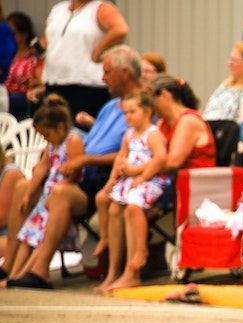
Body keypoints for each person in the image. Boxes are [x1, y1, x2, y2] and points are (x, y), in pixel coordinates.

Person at [0, 46, 141, 288]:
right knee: (24, 187)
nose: (102, 78)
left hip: (98, 181)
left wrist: (84, 160)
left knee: (61, 192)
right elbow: (95, 142)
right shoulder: (110, 107)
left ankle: (40, 270)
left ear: (125, 72)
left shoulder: (140, 108)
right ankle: (10, 267)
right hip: (76, 171)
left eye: (107, 72)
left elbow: (136, 150)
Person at [3, 96, 85, 288]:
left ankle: (29, 273)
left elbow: (76, 169)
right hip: (47, 195)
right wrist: (29, 194)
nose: (45, 139)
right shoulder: (52, 143)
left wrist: (67, 176)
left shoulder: (73, 140)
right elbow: (41, 168)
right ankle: (14, 274)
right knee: (27, 236)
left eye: (46, 134)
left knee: (42, 237)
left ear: (60, 128)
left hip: (62, 192)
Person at [97, 91, 171, 292]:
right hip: (129, 180)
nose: (127, 116)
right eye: (125, 113)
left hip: (150, 179)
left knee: (132, 204)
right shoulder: (129, 134)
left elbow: (160, 159)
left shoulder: (153, 133)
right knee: (109, 204)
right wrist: (112, 179)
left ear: (147, 111)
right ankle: (114, 271)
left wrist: (141, 176)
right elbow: (120, 158)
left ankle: (140, 251)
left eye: (132, 111)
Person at [40, 0, 129, 120]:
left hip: (86, 83)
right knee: (53, 127)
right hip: (55, 80)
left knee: (79, 129)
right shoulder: (58, 9)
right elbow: (46, 39)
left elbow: (120, 29)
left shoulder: (100, 7)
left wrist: (98, 51)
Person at [148, 75, 217, 173]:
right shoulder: (163, 123)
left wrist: (138, 170)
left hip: (194, 182)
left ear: (164, 95)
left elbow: (173, 161)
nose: (150, 106)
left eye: (151, 100)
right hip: (170, 180)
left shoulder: (188, 120)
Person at [203, 41, 243, 125]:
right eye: (230, 59)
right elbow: (208, 112)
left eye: (235, 60)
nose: (229, 63)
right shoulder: (225, 85)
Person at [5, 11, 43, 119]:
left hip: (22, 96)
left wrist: (30, 81)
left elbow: (41, 82)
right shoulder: (5, 52)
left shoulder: (34, 56)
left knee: (11, 99)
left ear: (24, 34)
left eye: (12, 33)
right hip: (4, 93)